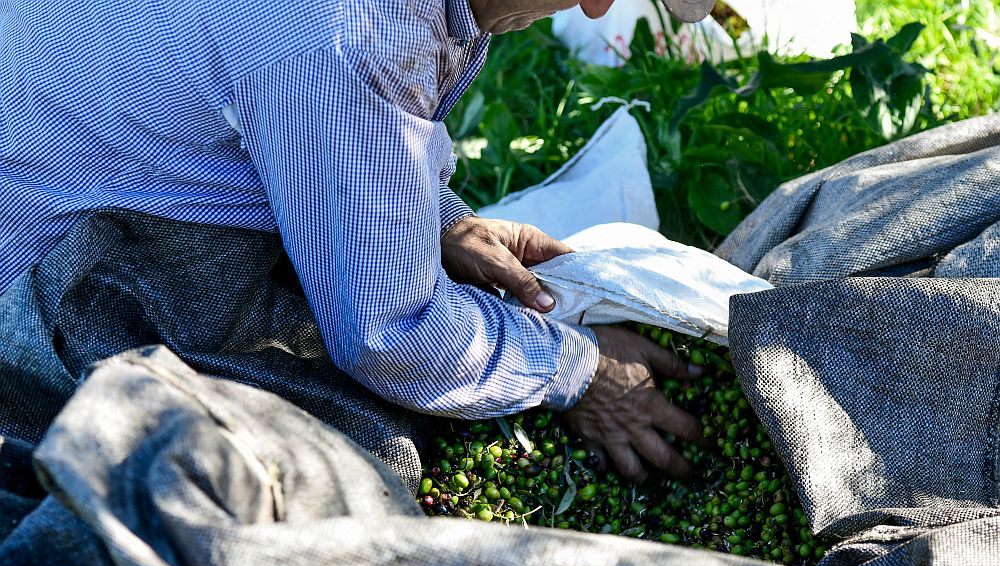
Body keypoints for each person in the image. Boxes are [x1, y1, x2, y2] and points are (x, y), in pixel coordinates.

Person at [0, 0, 714, 482]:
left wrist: (436, 217)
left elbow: (271, 108)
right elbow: (385, 334)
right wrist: (580, 371)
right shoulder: (357, 36)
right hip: (45, 279)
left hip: (65, 152)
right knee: (357, 468)